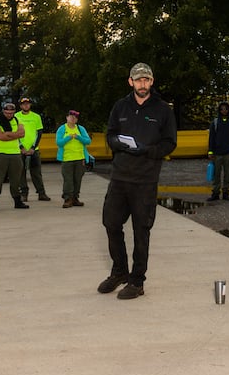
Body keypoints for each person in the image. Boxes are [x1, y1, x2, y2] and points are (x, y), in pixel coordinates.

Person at [99, 63, 177, 300]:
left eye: (146, 80)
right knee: (111, 224)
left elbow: (169, 142)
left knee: (141, 230)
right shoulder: (120, 106)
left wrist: (148, 150)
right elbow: (110, 133)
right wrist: (117, 143)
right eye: (138, 80)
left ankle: (137, 280)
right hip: (120, 176)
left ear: (151, 82)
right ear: (130, 82)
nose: (142, 84)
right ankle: (119, 271)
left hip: (145, 180)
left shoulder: (163, 110)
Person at [0, 101, 28, 209]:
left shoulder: (16, 119)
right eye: (7, 113)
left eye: (11, 113)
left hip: (15, 153)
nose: (9, 115)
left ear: (14, 112)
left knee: (16, 180)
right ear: (3, 111)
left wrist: (8, 134)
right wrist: (14, 135)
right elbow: (0, 136)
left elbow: (22, 133)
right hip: (1, 153)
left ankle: (17, 201)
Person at [16, 97, 51, 202]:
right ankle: (24, 194)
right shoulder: (16, 117)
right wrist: (21, 147)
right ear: (21, 106)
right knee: (21, 173)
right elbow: (15, 133)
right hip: (20, 150)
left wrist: (33, 147)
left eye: (28, 104)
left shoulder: (36, 117)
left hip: (34, 150)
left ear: (30, 105)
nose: (26, 105)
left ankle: (41, 193)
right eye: (24, 104)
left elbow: (39, 133)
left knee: (36, 173)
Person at [56, 109, 92, 208]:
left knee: (77, 179)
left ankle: (75, 198)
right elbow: (59, 143)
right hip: (67, 159)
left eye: (75, 117)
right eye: (71, 117)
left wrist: (78, 137)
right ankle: (68, 199)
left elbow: (88, 141)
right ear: (67, 118)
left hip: (80, 158)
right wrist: (68, 137)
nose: (73, 119)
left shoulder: (80, 129)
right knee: (68, 180)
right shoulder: (62, 129)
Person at [207, 101, 229, 201]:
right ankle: (215, 193)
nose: (224, 111)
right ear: (219, 110)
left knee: (228, 174)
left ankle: (226, 192)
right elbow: (211, 138)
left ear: (228, 109)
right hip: (217, 153)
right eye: (222, 109)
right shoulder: (215, 122)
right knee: (216, 175)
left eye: (226, 109)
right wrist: (210, 151)